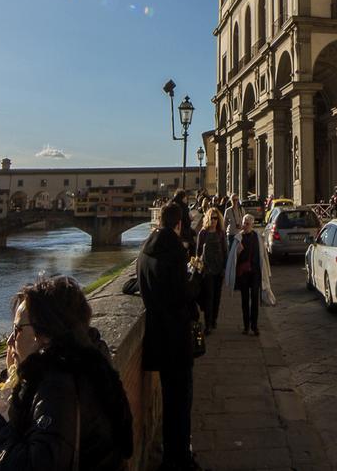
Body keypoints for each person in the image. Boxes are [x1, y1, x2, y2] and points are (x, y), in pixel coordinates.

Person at [0, 275, 134, 471]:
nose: (9, 340)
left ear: (44, 336)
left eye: (17, 330)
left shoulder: (58, 385)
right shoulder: (89, 362)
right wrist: (16, 374)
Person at [137, 202, 199, 471]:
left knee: (169, 401)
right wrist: (195, 281)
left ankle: (169, 456)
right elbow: (183, 295)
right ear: (179, 224)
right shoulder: (174, 253)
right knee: (181, 402)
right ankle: (180, 459)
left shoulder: (145, 252)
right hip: (176, 337)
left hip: (157, 338)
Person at [195, 207, 227, 332]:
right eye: (212, 218)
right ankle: (208, 324)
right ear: (208, 218)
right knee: (208, 297)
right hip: (207, 271)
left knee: (216, 297)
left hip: (219, 270)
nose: (214, 220)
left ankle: (214, 320)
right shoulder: (203, 233)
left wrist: (225, 268)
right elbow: (197, 252)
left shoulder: (221, 233)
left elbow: (225, 251)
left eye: (216, 218)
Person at [233, 214, 263, 335]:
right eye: (244, 223)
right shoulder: (239, 237)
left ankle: (254, 326)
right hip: (244, 273)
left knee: (255, 299)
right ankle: (246, 326)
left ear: (252, 225)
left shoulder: (257, 237)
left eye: (247, 223)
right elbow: (233, 258)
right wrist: (238, 252)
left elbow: (262, 255)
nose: (244, 225)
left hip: (255, 272)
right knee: (245, 300)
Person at [172, 189, 194, 254]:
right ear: (183, 198)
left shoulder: (172, 205)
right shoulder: (184, 207)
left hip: (174, 233)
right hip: (184, 234)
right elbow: (191, 218)